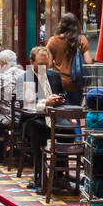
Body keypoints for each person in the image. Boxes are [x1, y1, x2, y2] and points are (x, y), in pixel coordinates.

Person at [20, 46, 66, 190]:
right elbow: (26, 105)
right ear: (31, 62)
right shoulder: (25, 77)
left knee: (67, 130)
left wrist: (60, 100)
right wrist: (45, 102)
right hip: (32, 119)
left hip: (53, 116)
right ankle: (39, 176)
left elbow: (63, 95)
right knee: (39, 129)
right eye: (40, 64)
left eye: (47, 64)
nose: (44, 67)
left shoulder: (54, 76)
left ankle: (59, 175)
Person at [46, 13, 92, 100]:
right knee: (75, 110)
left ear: (61, 25)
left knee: (60, 110)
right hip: (77, 83)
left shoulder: (53, 41)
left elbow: (49, 65)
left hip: (59, 82)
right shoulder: (81, 40)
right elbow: (88, 62)